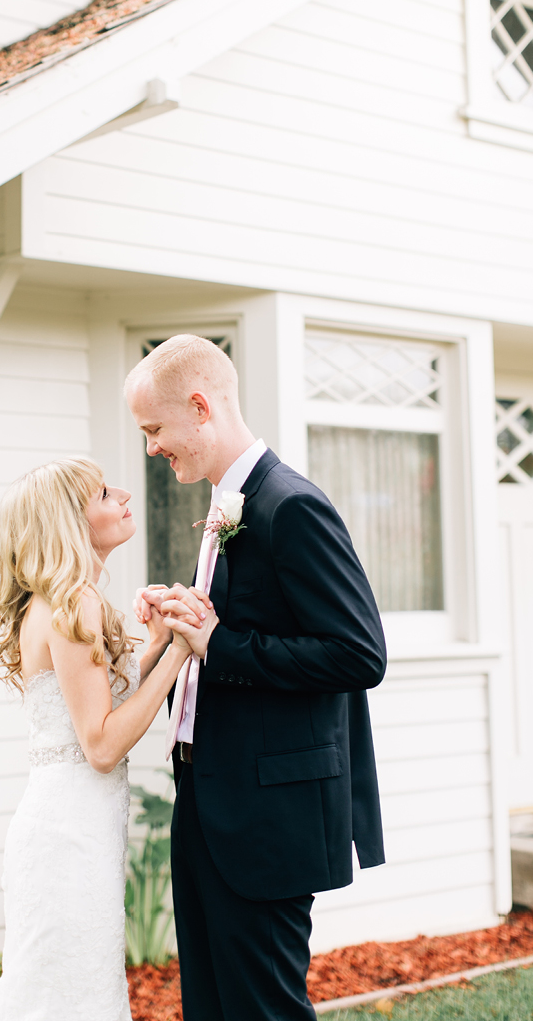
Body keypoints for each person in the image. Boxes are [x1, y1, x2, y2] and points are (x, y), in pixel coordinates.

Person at [127, 335, 387, 1021]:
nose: (152, 447)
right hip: (209, 802)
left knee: (262, 1010)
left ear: (200, 407)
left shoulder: (289, 505)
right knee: (212, 1007)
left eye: (155, 429)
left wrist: (220, 643)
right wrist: (187, 618)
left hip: (266, 818)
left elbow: (359, 653)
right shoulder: (228, 502)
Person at [0, 458, 212, 1021]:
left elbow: (93, 707)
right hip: (70, 838)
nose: (126, 494)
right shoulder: (74, 603)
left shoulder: (60, 599)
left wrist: (156, 644)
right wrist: (185, 650)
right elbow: (103, 746)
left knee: (64, 992)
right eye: (106, 493)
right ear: (70, 520)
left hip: (69, 828)